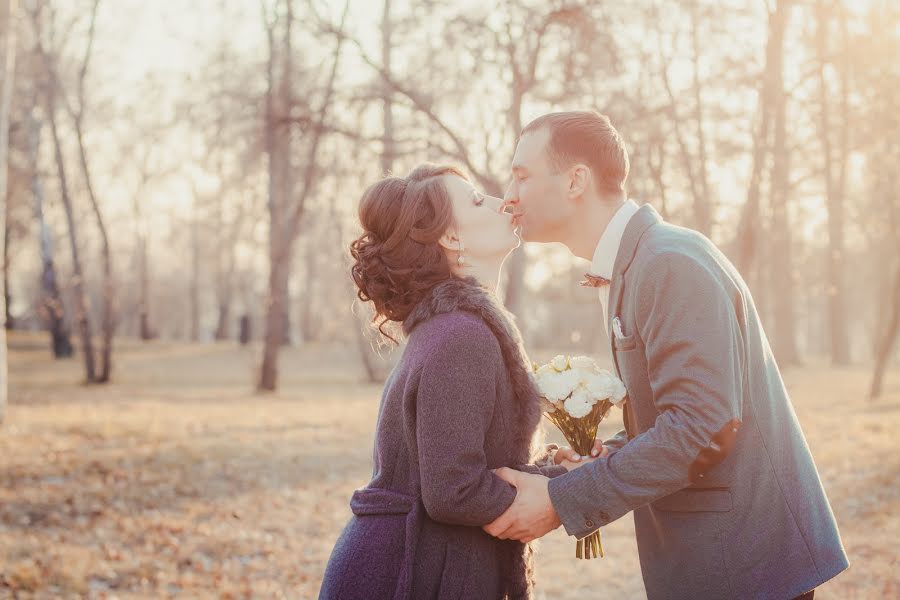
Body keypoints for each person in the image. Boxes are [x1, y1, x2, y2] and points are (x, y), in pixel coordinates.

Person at [484, 110, 850, 600]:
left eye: (522, 175)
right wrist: (597, 460)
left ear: (576, 181)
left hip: (744, 566)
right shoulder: (636, 265)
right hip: (709, 562)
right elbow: (675, 416)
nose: (510, 193)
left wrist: (561, 500)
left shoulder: (669, 262)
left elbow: (702, 427)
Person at [319, 163, 573, 600]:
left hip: (420, 563)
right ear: (451, 238)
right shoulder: (460, 335)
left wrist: (553, 471)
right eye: (476, 200)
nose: (503, 201)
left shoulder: (455, 327)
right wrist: (556, 495)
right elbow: (453, 489)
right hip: (407, 574)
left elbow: (460, 463)